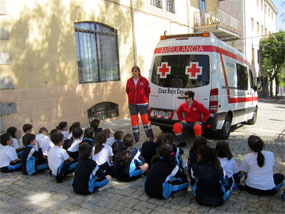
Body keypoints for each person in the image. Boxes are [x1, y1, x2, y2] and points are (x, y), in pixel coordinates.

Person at [126, 65, 154, 142]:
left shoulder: (144, 80)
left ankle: (150, 136)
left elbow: (148, 91)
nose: (134, 72)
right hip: (132, 104)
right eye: (133, 71)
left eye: (135, 71)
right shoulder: (129, 81)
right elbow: (128, 91)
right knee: (134, 122)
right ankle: (136, 138)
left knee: (145, 121)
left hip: (142, 104)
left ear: (139, 71)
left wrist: (143, 99)